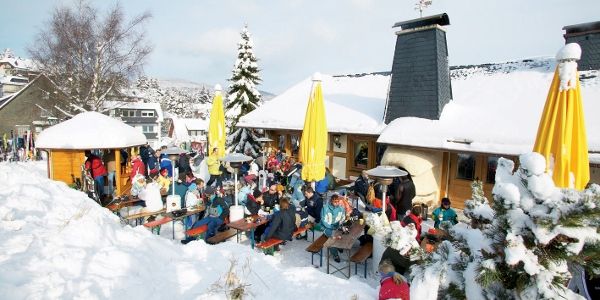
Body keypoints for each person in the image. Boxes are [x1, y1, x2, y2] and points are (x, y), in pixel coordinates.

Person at [321, 194, 346, 263]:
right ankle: (335, 255)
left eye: (337, 201)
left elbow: (343, 217)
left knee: (344, 234)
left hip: (337, 226)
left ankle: (339, 246)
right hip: (327, 227)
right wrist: (331, 227)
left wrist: (341, 223)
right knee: (332, 238)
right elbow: (324, 220)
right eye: (334, 201)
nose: (336, 203)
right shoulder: (325, 208)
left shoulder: (341, 208)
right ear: (331, 201)